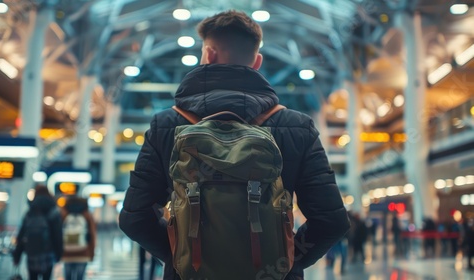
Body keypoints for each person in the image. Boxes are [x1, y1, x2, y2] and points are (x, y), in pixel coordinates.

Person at [119, 10, 350, 279]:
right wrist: (285, 260)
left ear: (209, 55)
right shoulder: (297, 127)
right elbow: (331, 221)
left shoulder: (166, 125)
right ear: (257, 62)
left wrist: (178, 257)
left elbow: (134, 218)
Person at [12, 185, 63, 280]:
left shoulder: (30, 211)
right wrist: (58, 254)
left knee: (32, 277)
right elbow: (57, 234)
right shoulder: (53, 211)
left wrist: (17, 256)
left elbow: (22, 234)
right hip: (48, 253)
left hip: (32, 253)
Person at [61, 196, 96, 280]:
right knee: (80, 277)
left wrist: (59, 252)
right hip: (83, 253)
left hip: (67, 253)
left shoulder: (64, 213)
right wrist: (91, 253)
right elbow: (92, 234)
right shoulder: (87, 214)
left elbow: (59, 233)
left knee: (68, 277)